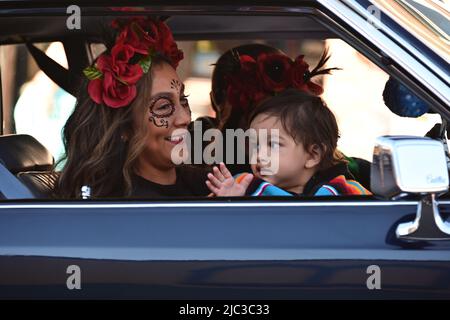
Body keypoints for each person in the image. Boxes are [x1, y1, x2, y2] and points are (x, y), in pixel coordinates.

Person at [56, 17, 210, 198]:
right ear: (124, 127)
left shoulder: (207, 182)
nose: (184, 118)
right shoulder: (122, 208)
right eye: (163, 107)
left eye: (183, 100)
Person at [206, 89, 372, 197]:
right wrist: (230, 203)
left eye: (274, 145)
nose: (260, 155)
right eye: (256, 145)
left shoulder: (341, 193)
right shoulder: (241, 186)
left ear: (313, 155)